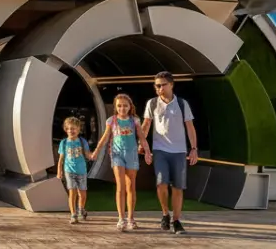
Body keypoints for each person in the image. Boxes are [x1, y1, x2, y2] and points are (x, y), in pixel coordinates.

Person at [140, 71, 198, 235]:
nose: (160, 88)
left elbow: (190, 127)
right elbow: (146, 125)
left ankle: (176, 220)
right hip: (160, 150)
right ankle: (165, 213)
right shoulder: (152, 104)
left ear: (171, 85)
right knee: (161, 183)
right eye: (157, 85)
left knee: (178, 187)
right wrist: (142, 144)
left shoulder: (181, 104)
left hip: (179, 151)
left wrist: (194, 149)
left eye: (163, 85)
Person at [90, 93, 151, 231]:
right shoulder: (111, 121)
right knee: (120, 186)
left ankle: (131, 218)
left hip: (132, 155)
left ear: (130, 107)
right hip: (117, 155)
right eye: (119, 106)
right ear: (115, 107)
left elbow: (142, 137)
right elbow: (105, 138)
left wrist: (147, 152)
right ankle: (121, 218)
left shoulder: (134, 120)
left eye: (125, 106)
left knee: (131, 187)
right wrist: (96, 152)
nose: (122, 108)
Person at [56, 116, 91, 224]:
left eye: (74, 128)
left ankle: (81, 209)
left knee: (82, 193)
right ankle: (73, 214)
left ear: (79, 129)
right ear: (66, 129)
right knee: (72, 192)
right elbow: (61, 159)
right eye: (69, 128)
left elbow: (87, 154)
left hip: (81, 171)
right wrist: (59, 171)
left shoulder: (82, 141)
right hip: (69, 171)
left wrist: (92, 155)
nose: (71, 131)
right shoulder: (64, 143)